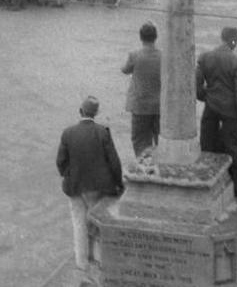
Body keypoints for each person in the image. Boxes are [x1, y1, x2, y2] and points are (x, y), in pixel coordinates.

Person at [56, 96, 125, 278]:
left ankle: (82, 263)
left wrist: (68, 175)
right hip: (98, 187)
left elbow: (61, 162)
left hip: (75, 186)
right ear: (96, 113)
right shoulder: (103, 132)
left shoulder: (68, 133)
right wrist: (118, 184)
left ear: (80, 111)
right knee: (96, 223)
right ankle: (98, 258)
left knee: (79, 223)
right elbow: (114, 162)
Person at [195, 27, 237, 196]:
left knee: (207, 143)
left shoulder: (205, 58)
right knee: (233, 147)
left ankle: (204, 179)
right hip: (231, 112)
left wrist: (205, 96)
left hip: (211, 107)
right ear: (233, 41)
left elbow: (196, 83)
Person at [121, 22, 161, 157]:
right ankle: (160, 165)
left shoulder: (134, 55)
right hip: (159, 106)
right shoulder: (163, 56)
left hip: (140, 106)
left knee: (140, 141)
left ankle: (143, 167)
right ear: (155, 37)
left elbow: (125, 70)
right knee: (160, 140)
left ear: (141, 37)